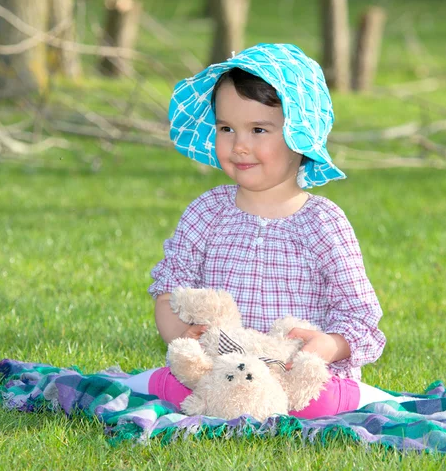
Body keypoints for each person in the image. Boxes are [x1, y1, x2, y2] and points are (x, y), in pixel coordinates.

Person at [123, 43, 412, 416]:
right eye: (226, 128)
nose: (239, 145)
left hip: (293, 375)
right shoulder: (206, 212)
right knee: (171, 383)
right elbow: (170, 291)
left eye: (258, 129)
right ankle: (128, 386)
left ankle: (382, 401)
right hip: (219, 374)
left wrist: (328, 345)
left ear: (299, 135)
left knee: (319, 401)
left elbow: (359, 316)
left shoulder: (324, 223)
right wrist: (180, 332)